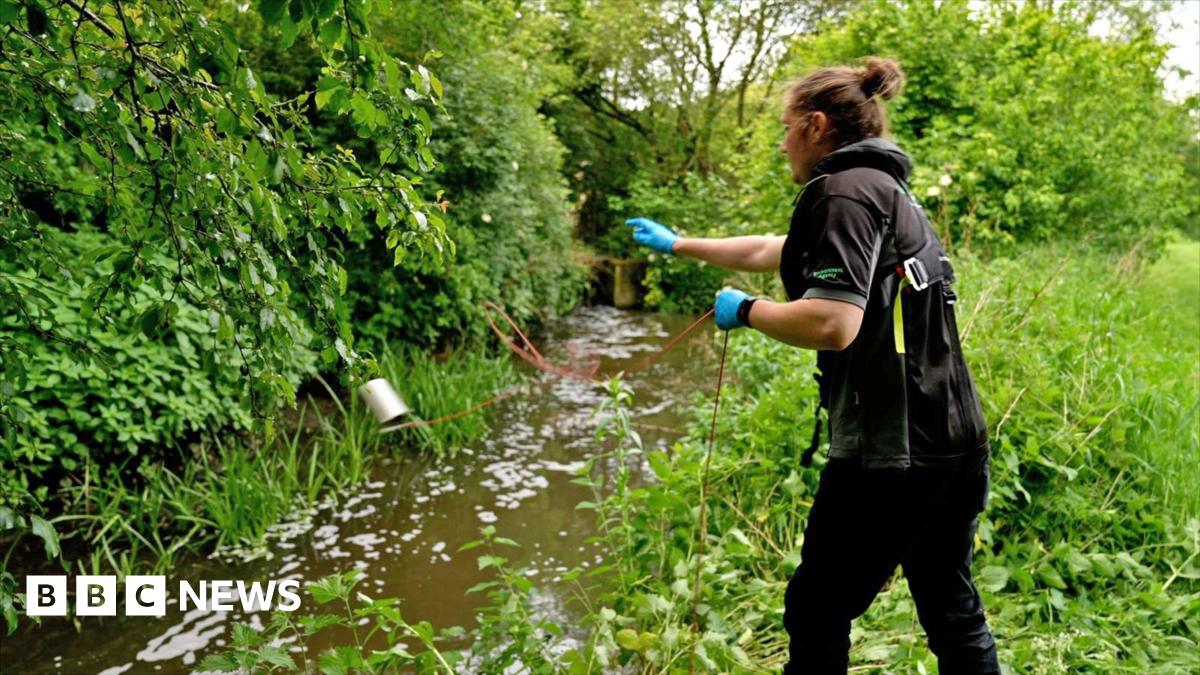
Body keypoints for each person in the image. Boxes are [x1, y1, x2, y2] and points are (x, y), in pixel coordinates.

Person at [625, 57, 1001, 674]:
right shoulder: (882, 189)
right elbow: (776, 249)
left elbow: (832, 321)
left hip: (893, 453)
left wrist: (748, 310)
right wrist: (679, 244)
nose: (781, 143)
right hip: (953, 443)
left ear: (817, 125)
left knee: (817, 608)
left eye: (786, 127)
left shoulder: (844, 191)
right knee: (948, 602)